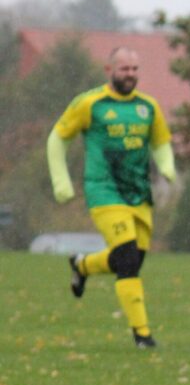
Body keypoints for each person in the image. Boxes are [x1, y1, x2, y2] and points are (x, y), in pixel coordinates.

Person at [47, 46, 176, 349]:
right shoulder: (90, 103)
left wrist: (167, 165)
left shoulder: (148, 107)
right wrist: (61, 181)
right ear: (109, 70)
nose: (130, 74)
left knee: (130, 260)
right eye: (124, 69)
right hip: (104, 190)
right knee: (127, 259)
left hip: (138, 193)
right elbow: (58, 138)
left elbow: (161, 142)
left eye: (134, 69)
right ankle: (142, 335)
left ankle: (82, 266)